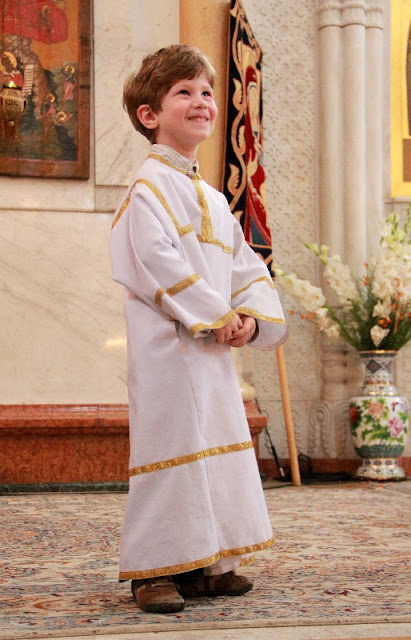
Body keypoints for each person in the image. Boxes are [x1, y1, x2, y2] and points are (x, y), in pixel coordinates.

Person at [110, 44, 288, 614]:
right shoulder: (148, 188)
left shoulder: (211, 198)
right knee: (172, 452)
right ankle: (154, 570)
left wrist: (250, 319)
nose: (202, 102)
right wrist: (218, 314)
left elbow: (246, 270)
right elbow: (155, 263)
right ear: (149, 115)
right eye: (183, 92)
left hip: (211, 353)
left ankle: (208, 566)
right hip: (168, 350)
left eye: (207, 91)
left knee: (214, 450)